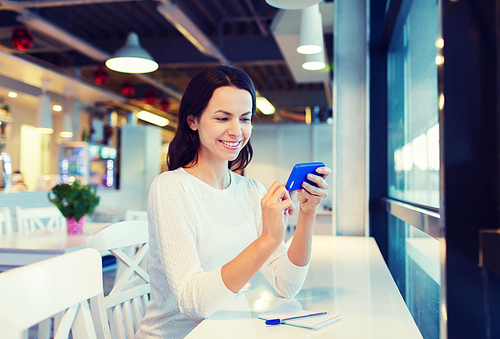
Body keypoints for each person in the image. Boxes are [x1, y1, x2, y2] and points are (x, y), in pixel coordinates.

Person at [135, 65, 331, 339]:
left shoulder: (251, 190)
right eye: (223, 118)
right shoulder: (170, 187)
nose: (236, 131)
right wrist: (266, 240)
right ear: (193, 120)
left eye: (244, 118)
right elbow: (194, 304)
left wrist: (307, 214)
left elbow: (287, 286)